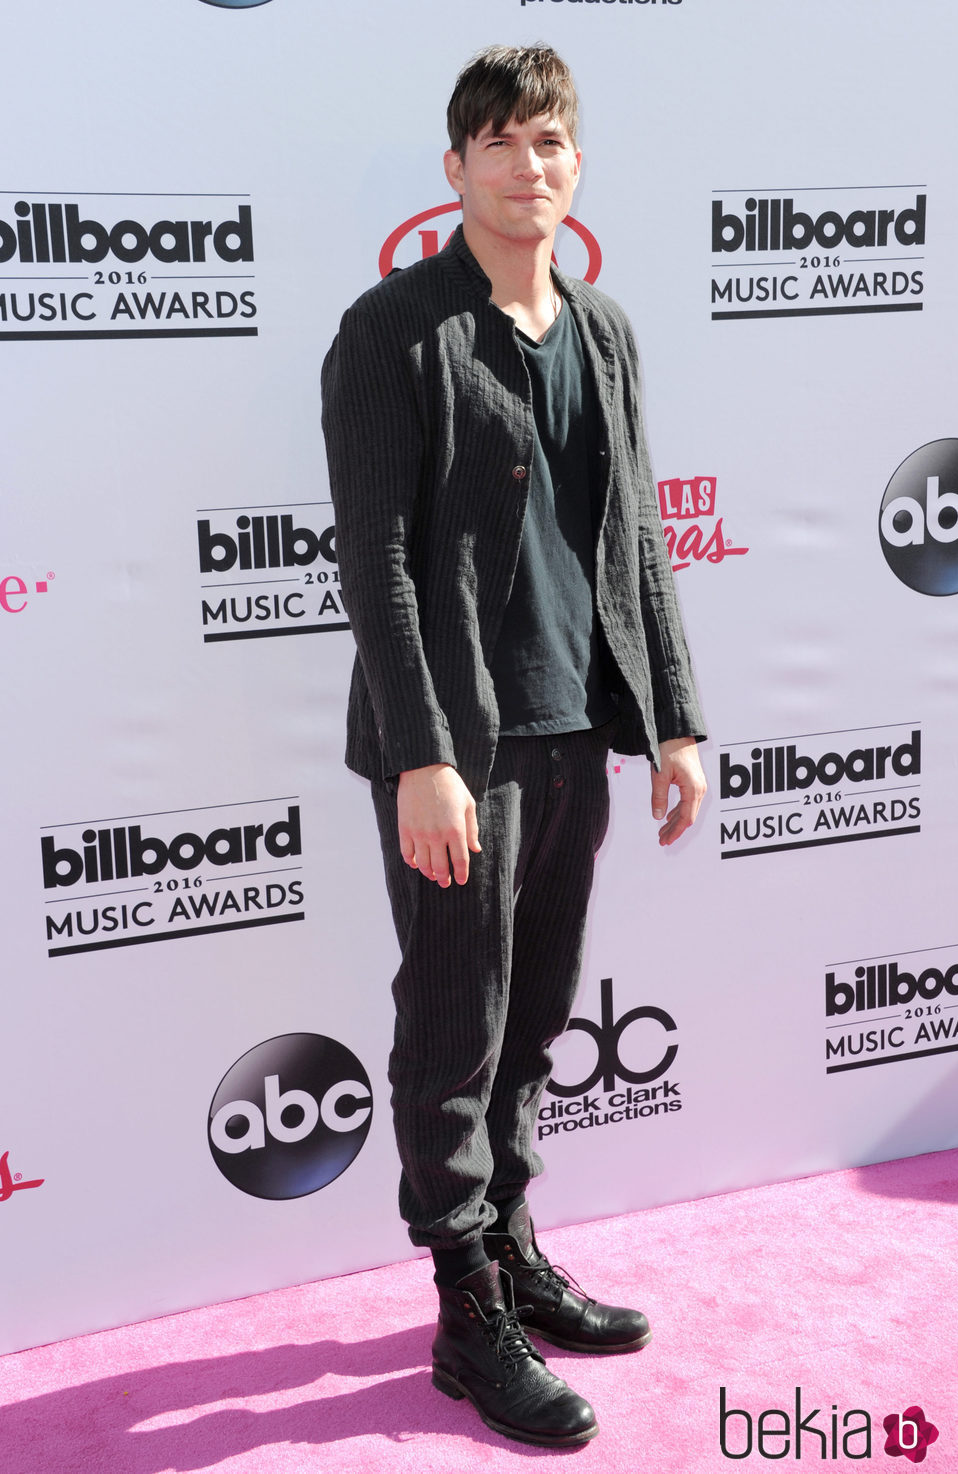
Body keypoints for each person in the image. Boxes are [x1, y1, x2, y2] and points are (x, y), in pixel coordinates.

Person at [321, 43, 706, 1448]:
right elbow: (376, 557)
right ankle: (463, 1304)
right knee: (452, 1023)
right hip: (457, 751)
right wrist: (423, 753)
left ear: (575, 167)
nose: (526, 167)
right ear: (455, 170)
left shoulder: (604, 328)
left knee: (533, 1020)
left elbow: (639, 535)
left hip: (571, 729)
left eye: (549, 144)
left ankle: (517, 1245)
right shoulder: (393, 330)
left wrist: (672, 714)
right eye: (499, 145)